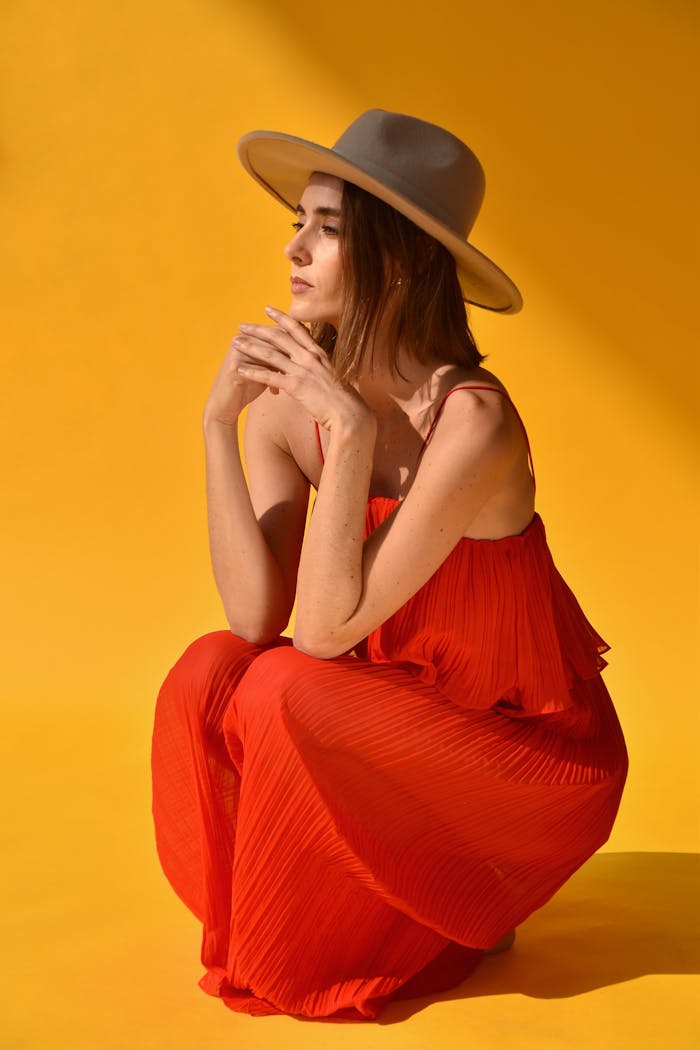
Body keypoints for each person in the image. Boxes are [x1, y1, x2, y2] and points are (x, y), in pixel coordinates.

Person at [151, 109, 628, 1020]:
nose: (294, 249)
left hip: (515, 765)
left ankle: (460, 896)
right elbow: (256, 619)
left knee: (281, 688)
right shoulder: (293, 416)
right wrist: (220, 425)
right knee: (210, 671)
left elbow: (323, 635)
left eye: (327, 230)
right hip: (379, 733)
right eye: (298, 224)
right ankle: (304, 916)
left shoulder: (472, 423)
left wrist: (357, 430)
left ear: (402, 259)